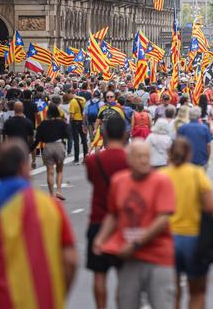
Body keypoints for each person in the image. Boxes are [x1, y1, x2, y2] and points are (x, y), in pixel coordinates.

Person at [0, 140, 77, 309]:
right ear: (24, 168)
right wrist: (58, 293)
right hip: (43, 300)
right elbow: (70, 260)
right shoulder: (48, 206)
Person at [93, 140, 176, 309]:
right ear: (128, 159)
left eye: (147, 156)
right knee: (126, 303)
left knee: (163, 303)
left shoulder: (162, 182)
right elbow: (113, 214)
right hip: (130, 258)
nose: (144, 160)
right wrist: (101, 238)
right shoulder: (119, 181)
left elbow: (163, 219)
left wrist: (136, 243)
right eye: (139, 156)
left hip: (158, 256)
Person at [162, 138, 213, 309]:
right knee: (197, 292)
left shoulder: (161, 176)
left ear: (169, 154)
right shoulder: (196, 174)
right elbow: (210, 206)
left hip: (167, 239)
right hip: (193, 236)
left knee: (173, 292)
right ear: (189, 154)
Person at [84, 115, 130, 309]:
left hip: (98, 220)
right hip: (124, 223)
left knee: (99, 275)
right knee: (124, 276)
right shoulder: (130, 160)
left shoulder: (93, 161)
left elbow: (92, 180)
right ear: (126, 134)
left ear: (104, 134)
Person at [35, 104, 70, 199]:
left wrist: (31, 148)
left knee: (50, 172)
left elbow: (38, 138)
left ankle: (51, 195)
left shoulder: (43, 124)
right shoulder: (62, 123)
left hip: (48, 146)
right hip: (59, 145)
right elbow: (67, 135)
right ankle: (58, 191)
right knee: (59, 170)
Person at [68, 90, 87, 163]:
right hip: (83, 121)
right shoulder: (83, 99)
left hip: (75, 121)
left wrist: (70, 121)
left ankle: (76, 158)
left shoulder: (72, 101)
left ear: (71, 94)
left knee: (76, 140)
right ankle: (85, 158)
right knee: (84, 140)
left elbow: (72, 115)